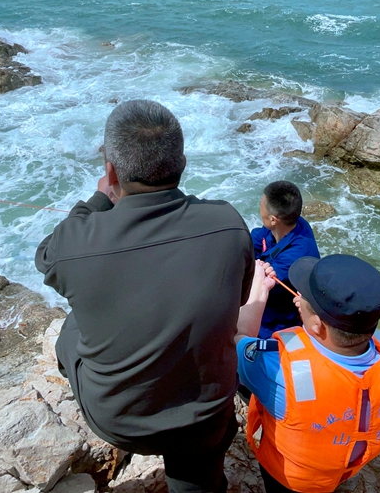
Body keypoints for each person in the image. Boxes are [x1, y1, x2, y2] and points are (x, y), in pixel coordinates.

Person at [35, 100, 255, 493]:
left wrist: (101, 198)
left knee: (71, 328)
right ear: (182, 163)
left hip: (118, 420)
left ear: (111, 171)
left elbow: (48, 256)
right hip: (203, 418)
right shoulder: (228, 224)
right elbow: (236, 301)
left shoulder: (76, 241)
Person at [236, 254, 380, 493]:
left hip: (290, 478)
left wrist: (257, 294)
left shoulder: (279, 368)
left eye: (304, 297)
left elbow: (237, 341)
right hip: (346, 466)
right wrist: (310, 313)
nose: (299, 296)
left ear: (317, 325)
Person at [250, 181, 320, 338]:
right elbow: (258, 237)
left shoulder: (296, 257)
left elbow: (259, 284)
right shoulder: (292, 222)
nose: (260, 211)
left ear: (274, 219)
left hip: (277, 322)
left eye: (261, 208)